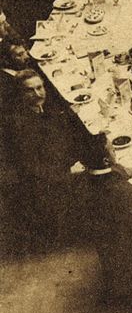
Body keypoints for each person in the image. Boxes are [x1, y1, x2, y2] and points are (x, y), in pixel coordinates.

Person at [4, 70, 87, 251]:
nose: (38, 94)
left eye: (40, 87)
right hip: (45, 183)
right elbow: (32, 168)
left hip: (60, 166)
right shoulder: (19, 125)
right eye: (30, 90)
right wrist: (69, 171)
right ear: (20, 94)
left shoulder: (39, 108)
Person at [80, 135, 132, 313]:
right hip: (129, 244)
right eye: (113, 149)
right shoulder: (122, 192)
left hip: (104, 240)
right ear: (106, 159)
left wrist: (124, 172)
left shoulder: (84, 180)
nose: (115, 151)